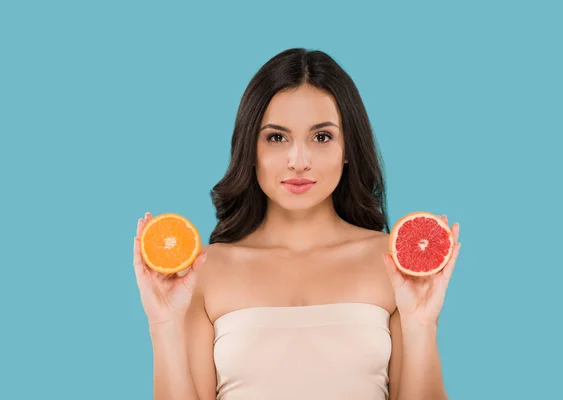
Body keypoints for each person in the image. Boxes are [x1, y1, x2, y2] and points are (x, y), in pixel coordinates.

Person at [132, 48, 461, 400]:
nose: (298, 161)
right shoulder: (204, 270)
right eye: (276, 137)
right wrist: (163, 326)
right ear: (250, 149)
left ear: (348, 147)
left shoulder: (394, 264)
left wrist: (422, 325)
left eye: (322, 137)